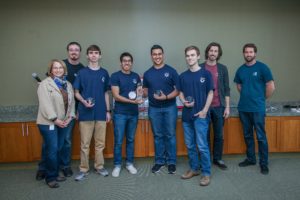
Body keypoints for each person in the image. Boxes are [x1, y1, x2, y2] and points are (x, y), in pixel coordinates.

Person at [35, 42, 84, 180]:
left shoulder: (78, 72)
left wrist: (72, 114)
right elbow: (45, 99)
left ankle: (63, 167)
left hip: (67, 117)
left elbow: (75, 95)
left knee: (64, 143)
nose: (74, 52)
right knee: (50, 145)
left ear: (79, 52)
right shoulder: (51, 75)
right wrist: (55, 119)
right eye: (71, 50)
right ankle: (44, 169)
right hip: (51, 119)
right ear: (67, 51)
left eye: (76, 50)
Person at [234, 43, 275, 175]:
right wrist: (247, 95)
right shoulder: (240, 70)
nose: (248, 54)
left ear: (255, 53)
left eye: (251, 52)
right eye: (246, 52)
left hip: (257, 108)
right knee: (247, 135)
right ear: (243, 54)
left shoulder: (263, 68)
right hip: (244, 108)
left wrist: (261, 99)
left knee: (261, 137)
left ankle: (264, 163)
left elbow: (271, 86)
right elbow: (239, 86)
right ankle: (251, 158)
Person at [73, 44, 111, 181]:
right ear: (87, 55)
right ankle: (84, 169)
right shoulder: (82, 73)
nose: (93, 55)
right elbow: (76, 92)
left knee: (100, 143)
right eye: (91, 53)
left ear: (100, 55)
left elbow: (106, 93)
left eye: (96, 53)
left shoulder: (104, 73)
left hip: (101, 113)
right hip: (85, 113)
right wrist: (83, 102)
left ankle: (99, 166)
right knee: (85, 143)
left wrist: (108, 111)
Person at [36, 59, 76, 188]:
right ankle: (50, 177)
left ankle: (55, 171)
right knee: (52, 150)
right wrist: (55, 120)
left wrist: (70, 117)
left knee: (59, 148)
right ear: (51, 70)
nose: (58, 70)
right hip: (49, 123)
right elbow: (45, 104)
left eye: (61, 68)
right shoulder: (45, 84)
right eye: (55, 68)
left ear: (64, 70)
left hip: (64, 122)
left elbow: (72, 102)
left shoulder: (67, 84)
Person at [179, 46, 213, 186]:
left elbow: (210, 93)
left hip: (201, 116)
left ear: (198, 56)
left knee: (202, 146)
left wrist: (205, 110)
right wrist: (183, 101)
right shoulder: (183, 76)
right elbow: (180, 92)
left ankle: (206, 173)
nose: (190, 58)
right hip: (187, 116)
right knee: (190, 145)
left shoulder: (206, 74)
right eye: (187, 55)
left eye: (192, 55)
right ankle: (194, 169)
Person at [143, 45, 179, 174]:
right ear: (151, 56)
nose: (157, 56)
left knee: (170, 135)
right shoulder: (147, 73)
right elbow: (146, 90)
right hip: (154, 109)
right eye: (154, 54)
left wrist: (166, 97)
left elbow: (178, 90)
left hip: (170, 107)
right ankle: (159, 161)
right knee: (158, 135)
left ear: (163, 55)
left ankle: (171, 162)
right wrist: (142, 93)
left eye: (159, 54)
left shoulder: (172, 71)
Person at [110, 52, 143, 177]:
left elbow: (139, 92)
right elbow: (116, 96)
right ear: (121, 63)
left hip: (133, 114)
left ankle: (129, 163)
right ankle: (117, 165)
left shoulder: (136, 76)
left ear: (132, 63)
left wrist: (139, 93)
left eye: (129, 60)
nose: (127, 62)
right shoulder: (115, 76)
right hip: (120, 114)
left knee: (130, 139)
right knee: (118, 141)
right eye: (124, 60)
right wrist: (132, 101)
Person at [200, 42, 230, 170]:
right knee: (204, 135)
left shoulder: (223, 68)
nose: (213, 53)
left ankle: (217, 158)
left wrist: (227, 107)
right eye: (211, 50)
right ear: (207, 52)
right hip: (204, 107)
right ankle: (205, 160)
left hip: (219, 107)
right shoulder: (200, 68)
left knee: (219, 135)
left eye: (216, 51)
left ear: (218, 54)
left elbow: (227, 89)